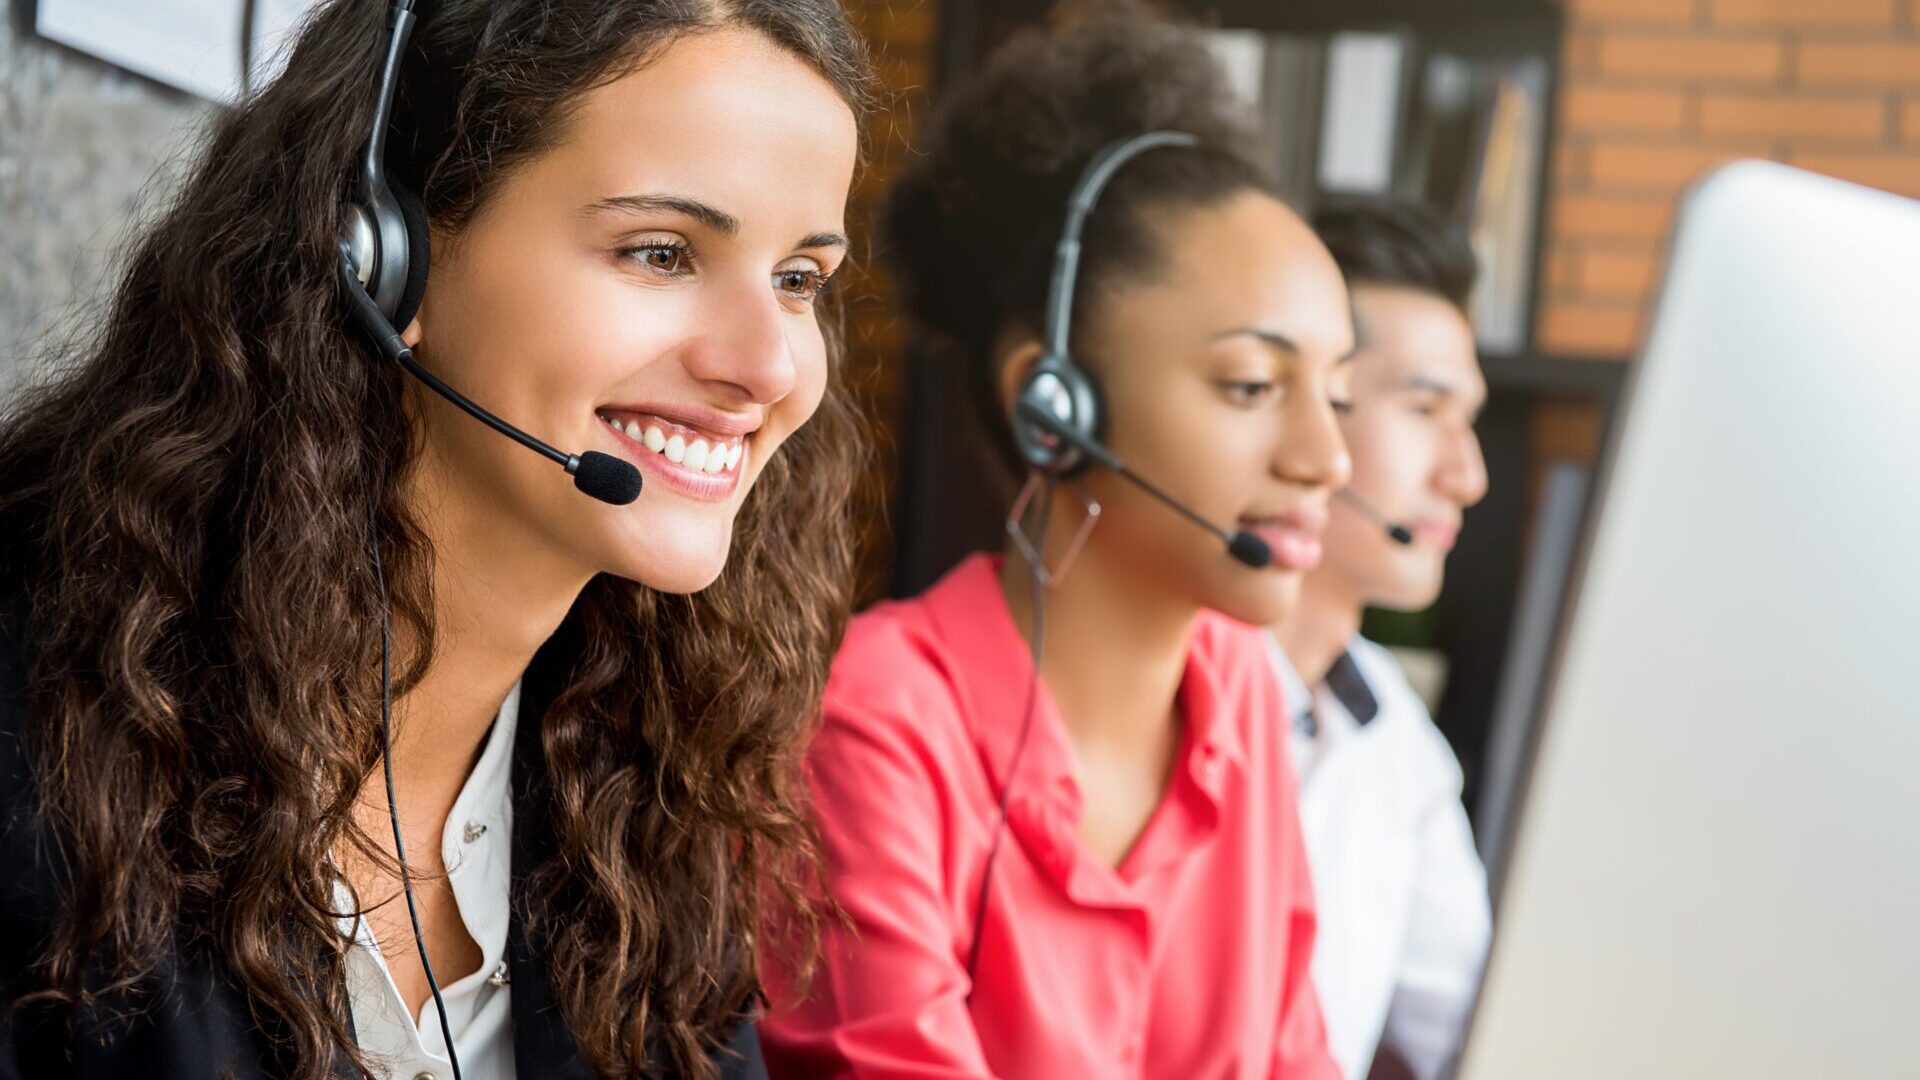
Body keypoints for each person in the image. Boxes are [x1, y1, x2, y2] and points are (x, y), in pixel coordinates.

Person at [0, 1, 869, 1077]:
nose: (771, 368)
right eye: (661, 252)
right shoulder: (43, 747)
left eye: (798, 282)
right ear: (382, 255)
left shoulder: (644, 788)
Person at [760, 6, 1351, 1078]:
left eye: (1339, 392)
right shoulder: (877, 726)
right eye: (1255, 385)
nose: (1327, 457)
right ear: (1055, 402)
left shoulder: (1240, 691)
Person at [1268, 199, 1494, 1080]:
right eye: (1425, 408)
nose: (1464, 474)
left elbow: (1472, 1030)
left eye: (1466, 418)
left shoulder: (1396, 739)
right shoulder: (1144, 683)